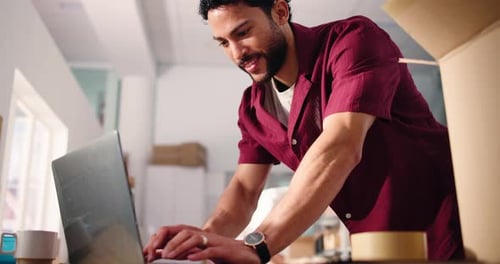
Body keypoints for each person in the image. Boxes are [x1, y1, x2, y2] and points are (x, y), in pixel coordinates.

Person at [143, 0, 465, 263]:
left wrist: (258, 246)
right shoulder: (254, 107)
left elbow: (340, 146)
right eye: (224, 43)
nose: (236, 54)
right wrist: (203, 240)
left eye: (243, 33)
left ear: (280, 12)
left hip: (452, 221)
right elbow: (243, 191)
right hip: (380, 243)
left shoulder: (352, 41)